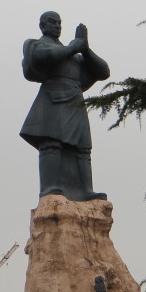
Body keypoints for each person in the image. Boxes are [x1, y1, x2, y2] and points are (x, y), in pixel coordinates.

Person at [20, 11, 110, 201]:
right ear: (43, 26)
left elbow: (103, 71)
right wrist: (72, 47)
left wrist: (85, 48)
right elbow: (44, 56)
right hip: (52, 98)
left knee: (83, 148)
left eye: (60, 22)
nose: (57, 26)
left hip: (75, 101)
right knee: (51, 144)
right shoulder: (35, 44)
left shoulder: (74, 56)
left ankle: (85, 190)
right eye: (52, 22)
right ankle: (50, 188)